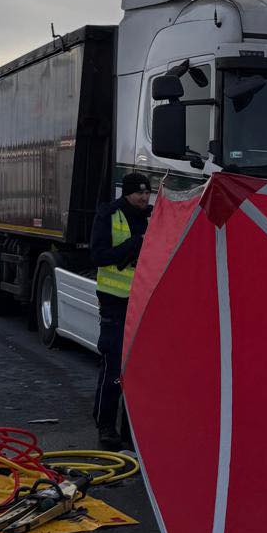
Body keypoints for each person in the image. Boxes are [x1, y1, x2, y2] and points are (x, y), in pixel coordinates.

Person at [89, 172, 152, 447]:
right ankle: (105, 426)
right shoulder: (109, 215)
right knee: (113, 365)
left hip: (144, 302)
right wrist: (134, 244)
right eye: (139, 193)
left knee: (138, 369)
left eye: (147, 192)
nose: (144, 197)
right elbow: (98, 255)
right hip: (115, 302)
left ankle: (130, 430)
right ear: (127, 193)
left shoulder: (152, 215)